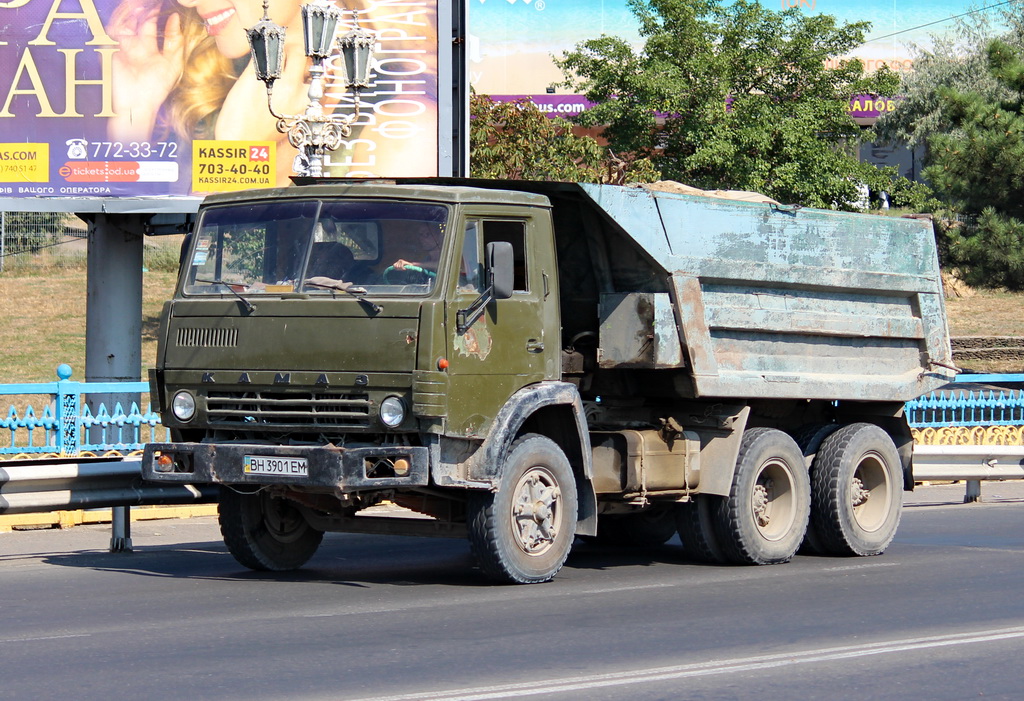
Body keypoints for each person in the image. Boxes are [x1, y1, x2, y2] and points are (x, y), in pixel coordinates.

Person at [105, 0, 439, 184]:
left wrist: (241, 148)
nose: (186, 1)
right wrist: (135, 113)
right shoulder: (213, 98)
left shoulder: (405, 128)